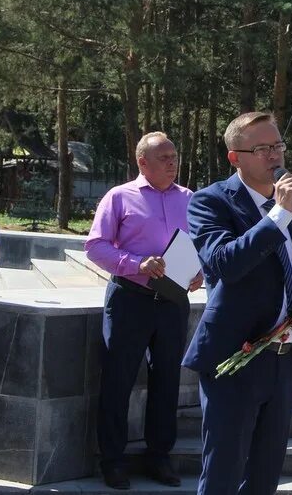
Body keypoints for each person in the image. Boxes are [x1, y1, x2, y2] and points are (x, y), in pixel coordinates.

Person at [184, 112, 292, 495]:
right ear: (235, 157)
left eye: (278, 145)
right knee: (223, 476)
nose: (274, 156)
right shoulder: (210, 202)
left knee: (264, 478)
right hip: (234, 359)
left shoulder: (291, 206)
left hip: (283, 358)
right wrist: (278, 215)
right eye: (262, 148)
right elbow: (224, 265)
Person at [85, 132, 202, 490]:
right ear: (142, 162)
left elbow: (203, 243)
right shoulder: (120, 196)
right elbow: (94, 247)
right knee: (118, 381)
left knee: (167, 381)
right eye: (163, 157)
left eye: (174, 155)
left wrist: (199, 272)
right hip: (130, 300)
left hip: (172, 303)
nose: (172, 162)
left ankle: (159, 457)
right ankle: (113, 461)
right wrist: (136, 263)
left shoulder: (191, 199)